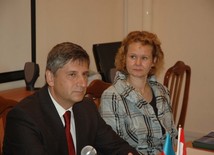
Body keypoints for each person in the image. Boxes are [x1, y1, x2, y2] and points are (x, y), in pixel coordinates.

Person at [3, 42, 140, 155]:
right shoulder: (25, 117)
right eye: (72, 75)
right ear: (50, 77)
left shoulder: (86, 107)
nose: (82, 83)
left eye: (85, 74)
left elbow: (116, 147)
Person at [99, 31, 177, 155]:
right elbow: (113, 147)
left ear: (154, 61)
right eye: (133, 57)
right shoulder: (112, 96)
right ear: (124, 58)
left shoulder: (162, 92)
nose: (138, 63)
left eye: (144, 58)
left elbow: (172, 136)